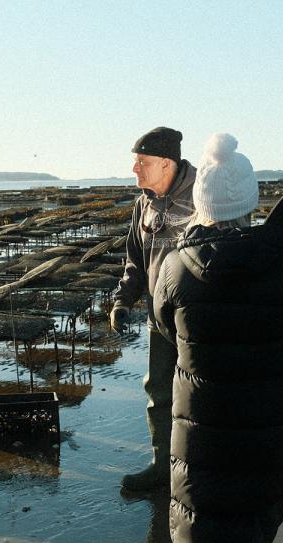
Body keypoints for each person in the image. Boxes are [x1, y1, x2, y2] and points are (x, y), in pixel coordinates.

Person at [152, 133, 283, 543]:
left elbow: (163, 326)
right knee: (233, 538)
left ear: (201, 203)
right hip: (265, 421)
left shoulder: (175, 267)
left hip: (200, 423)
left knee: (214, 525)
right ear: (250, 202)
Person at [111, 126, 197, 491]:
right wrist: (121, 300)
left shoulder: (204, 195)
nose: (134, 169)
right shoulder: (143, 203)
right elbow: (135, 260)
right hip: (157, 321)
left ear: (166, 163)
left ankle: (197, 472)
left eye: (141, 162)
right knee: (159, 392)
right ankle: (162, 467)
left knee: (199, 397)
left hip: (197, 322)